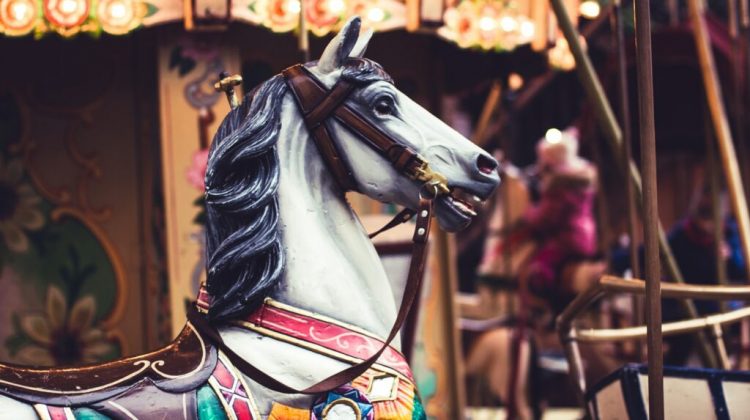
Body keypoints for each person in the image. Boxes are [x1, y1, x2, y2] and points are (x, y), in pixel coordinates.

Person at [478, 127, 598, 305]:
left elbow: (546, 218)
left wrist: (528, 216)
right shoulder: (574, 183)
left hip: (567, 239)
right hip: (581, 235)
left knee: (540, 266)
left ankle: (545, 303)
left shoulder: (561, 187)